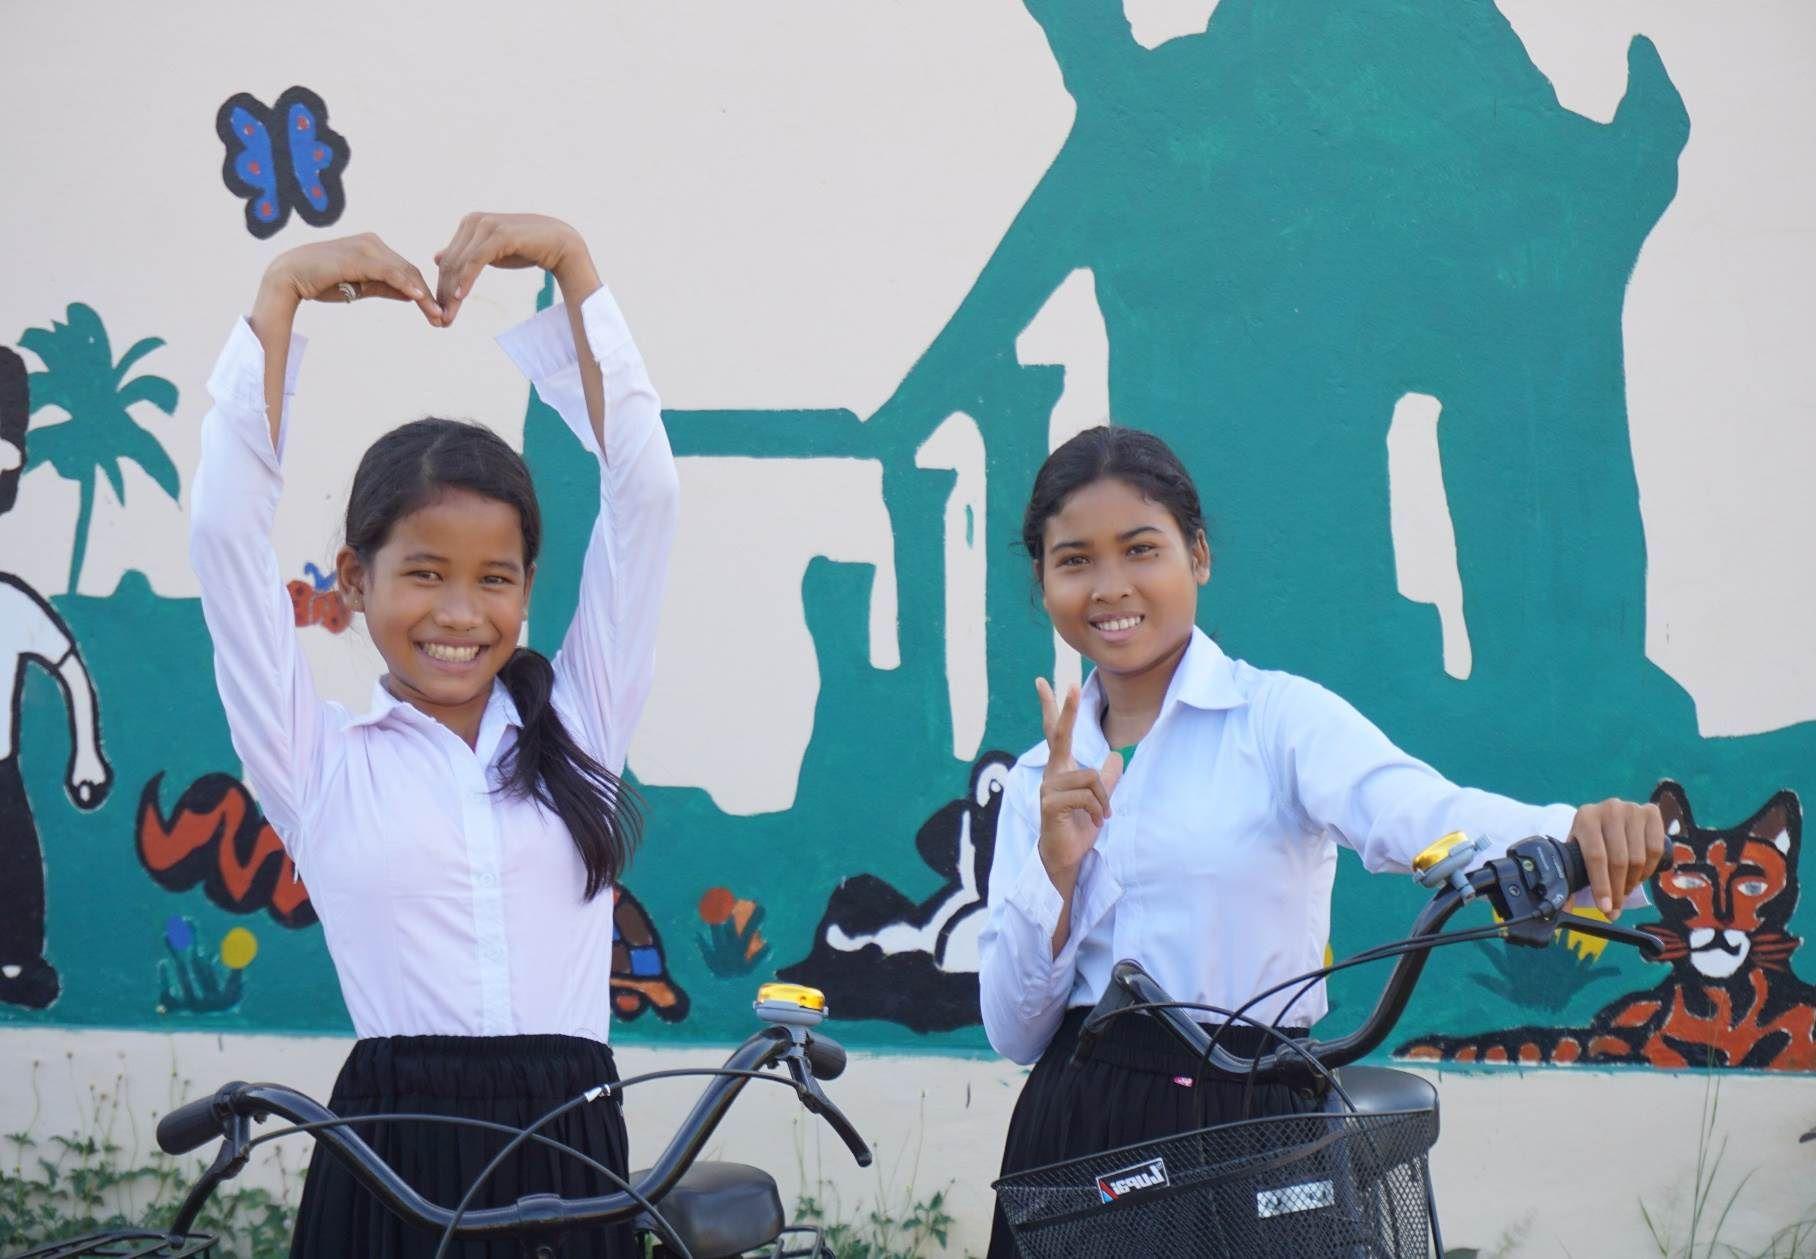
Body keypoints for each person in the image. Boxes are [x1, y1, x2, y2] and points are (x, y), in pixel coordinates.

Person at [978, 424, 1664, 1258]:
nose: (1110, 585)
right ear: (1044, 579)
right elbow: (1015, 1030)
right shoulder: (1035, 782)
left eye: (1141, 549)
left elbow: (1423, 813)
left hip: (1257, 1118)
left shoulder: (1277, 722)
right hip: (1078, 1128)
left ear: (1198, 556)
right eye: (1075, 559)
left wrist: (1576, 834)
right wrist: (1055, 867)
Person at [188, 214, 678, 1257]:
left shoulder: (581, 723)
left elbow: (646, 495)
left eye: (493, 579)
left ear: (527, 590)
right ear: (356, 581)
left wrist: (573, 264)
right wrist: (279, 294)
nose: (460, 612)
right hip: (391, 1152)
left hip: (573, 1142)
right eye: (423, 573)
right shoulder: (313, 760)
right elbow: (225, 534)